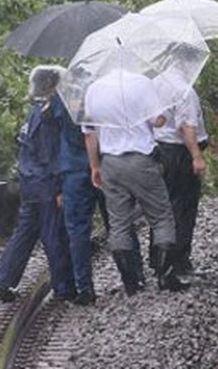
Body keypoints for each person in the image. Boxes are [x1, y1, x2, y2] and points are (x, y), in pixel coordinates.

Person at [82, 69, 188, 295]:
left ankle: (131, 282)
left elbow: (89, 134)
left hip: (110, 162)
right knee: (160, 216)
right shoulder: (141, 83)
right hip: (141, 160)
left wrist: (95, 166)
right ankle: (164, 275)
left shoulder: (93, 90)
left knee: (119, 222)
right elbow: (159, 120)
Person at [0, 66, 76, 304]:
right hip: (45, 182)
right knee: (53, 233)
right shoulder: (49, 116)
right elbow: (51, 154)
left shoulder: (34, 111)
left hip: (29, 180)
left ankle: (4, 282)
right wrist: (60, 186)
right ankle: (63, 287)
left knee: (25, 232)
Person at [45, 64, 100, 306]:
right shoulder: (100, 90)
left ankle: (84, 287)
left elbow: (54, 142)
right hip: (102, 162)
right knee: (118, 222)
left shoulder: (60, 97)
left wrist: (57, 185)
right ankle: (133, 279)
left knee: (77, 229)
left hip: (73, 169)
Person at [151, 70, 208, 277]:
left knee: (163, 206)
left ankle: (158, 258)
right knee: (183, 207)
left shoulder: (155, 82)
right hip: (180, 153)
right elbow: (187, 126)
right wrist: (197, 156)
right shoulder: (184, 90)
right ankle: (178, 262)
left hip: (159, 149)